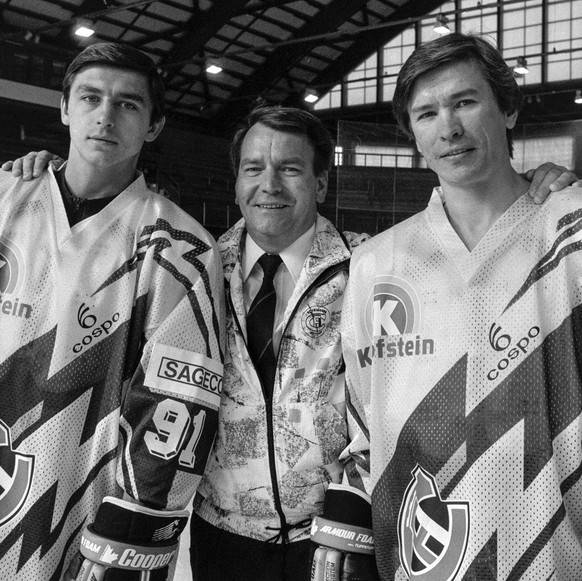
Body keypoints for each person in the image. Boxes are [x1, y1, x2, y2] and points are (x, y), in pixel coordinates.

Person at [3, 107, 581, 581]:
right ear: (234, 182)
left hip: (334, 533)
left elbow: (388, 398)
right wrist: (56, 175)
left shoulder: (373, 264)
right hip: (219, 531)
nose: (269, 185)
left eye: (290, 169)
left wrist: (532, 186)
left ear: (322, 182)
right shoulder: (189, 263)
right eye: (253, 168)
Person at [313, 31, 582, 580]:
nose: (449, 128)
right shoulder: (376, 264)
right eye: (427, 112)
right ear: (412, 133)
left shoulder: (571, 234)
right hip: (424, 557)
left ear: (507, 108)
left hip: (557, 553)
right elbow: (365, 423)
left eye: (465, 101)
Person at [0, 42, 224, 581]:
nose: (105, 115)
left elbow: (177, 402)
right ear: (64, 109)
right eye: (90, 97)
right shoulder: (5, 196)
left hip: (79, 507)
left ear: (154, 125)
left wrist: (132, 536)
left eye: (128, 104)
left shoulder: (181, 247)